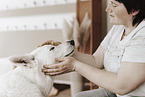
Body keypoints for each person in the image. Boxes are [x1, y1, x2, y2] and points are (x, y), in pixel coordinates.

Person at [42, 0, 145, 96]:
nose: (107, 9)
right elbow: (96, 61)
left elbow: (122, 86)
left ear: (135, 10)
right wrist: (64, 50)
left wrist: (75, 66)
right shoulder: (119, 27)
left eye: (114, 5)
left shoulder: (142, 36)